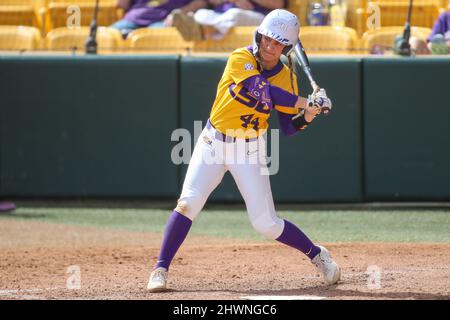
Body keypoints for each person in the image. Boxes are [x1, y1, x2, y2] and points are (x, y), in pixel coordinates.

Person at [146, 9, 341, 292]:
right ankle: (160, 269)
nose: (269, 46)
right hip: (213, 142)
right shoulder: (241, 58)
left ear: (286, 47)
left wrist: (310, 112)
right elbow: (261, 90)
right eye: (266, 39)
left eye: (277, 43)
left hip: (249, 150)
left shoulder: (287, 77)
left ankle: (317, 254)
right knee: (188, 203)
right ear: (259, 35)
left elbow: (289, 127)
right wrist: (305, 101)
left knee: (266, 224)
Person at [171, 0, 287, 41]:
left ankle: (204, 32)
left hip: (258, 18)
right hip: (220, 15)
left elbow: (278, 3)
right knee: (201, 14)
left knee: (234, 14)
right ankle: (204, 30)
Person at [112, 0, 207, 38]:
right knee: (106, 35)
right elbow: (122, 4)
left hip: (163, 22)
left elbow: (202, 2)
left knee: (149, 40)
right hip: (133, 19)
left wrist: (178, 14)